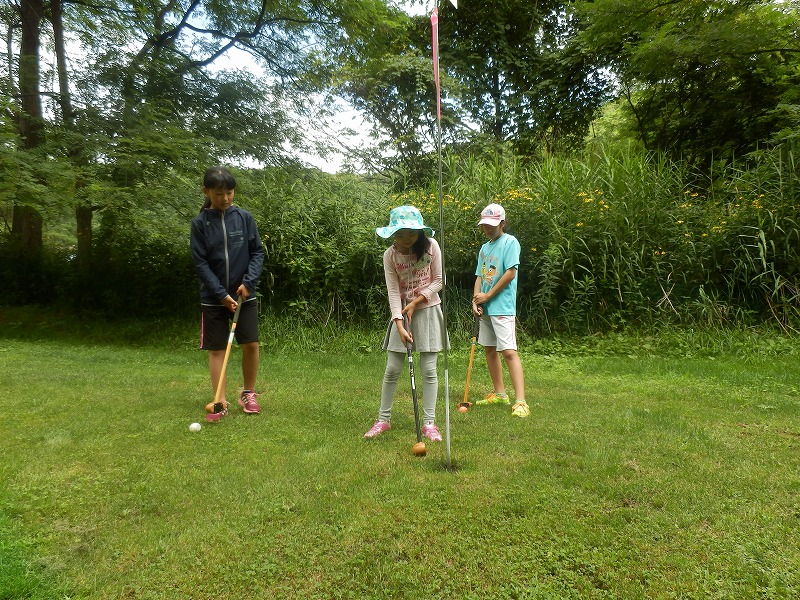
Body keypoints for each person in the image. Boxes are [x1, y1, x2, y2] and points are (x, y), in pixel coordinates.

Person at [364, 205, 447, 441]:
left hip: (428, 311)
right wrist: (398, 322)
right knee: (392, 369)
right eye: (400, 234)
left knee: (429, 370)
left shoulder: (431, 246)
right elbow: (392, 291)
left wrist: (415, 302)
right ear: (392, 234)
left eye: (411, 233)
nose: (407, 239)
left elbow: (439, 281)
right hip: (401, 314)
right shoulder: (389, 255)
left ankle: (429, 423)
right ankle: (383, 420)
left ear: (419, 232)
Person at [190, 166, 265, 420]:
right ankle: (219, 399)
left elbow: (257, 253)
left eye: (230, 193)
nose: (225, 198)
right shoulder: (200, 224)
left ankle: (248, 392)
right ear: (206, 191)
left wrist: (249, 282)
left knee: (251, 344)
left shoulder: (244, 218)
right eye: (219, 193)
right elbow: (201, 263)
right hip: (213, 299)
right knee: (217, 349)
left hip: (244, 294)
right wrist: (221, 295)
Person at [471, 203, 530, 418]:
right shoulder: (484, 248)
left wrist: (488, 296)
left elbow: (510, 274)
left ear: (502, 223)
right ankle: (500, 394)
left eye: (492, 224)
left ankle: (521, 401)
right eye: (485, 224)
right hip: (486, 307)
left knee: (508, 352)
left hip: (502, 306)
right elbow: (479, 276)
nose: (487, 228)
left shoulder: (510, 242)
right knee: (489, 349)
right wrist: (476, 299)